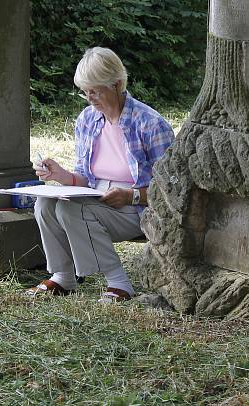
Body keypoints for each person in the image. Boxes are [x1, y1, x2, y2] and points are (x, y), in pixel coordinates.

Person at [28, 47, 175, 302]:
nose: (89, 98)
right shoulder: (87, 119)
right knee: (45, 204)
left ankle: (119, 283)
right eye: (85, 91)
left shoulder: (150, 124)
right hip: (98, 199)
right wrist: (63, 176)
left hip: (138, 207)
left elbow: (171, 190)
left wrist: (131, 197)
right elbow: (86, 177)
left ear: (117, 84)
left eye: (95, 91)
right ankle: (63, 276)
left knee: (72, 210)